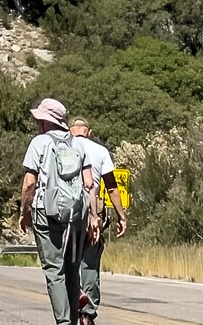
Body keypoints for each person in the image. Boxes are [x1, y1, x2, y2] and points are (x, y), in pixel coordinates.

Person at [19, 98, 98, 325]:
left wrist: (24, 211)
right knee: (73, 269)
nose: (37, 124)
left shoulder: (39, 143)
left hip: (46, 212)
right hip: (76, 215)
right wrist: (92, 216)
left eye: (39, 120)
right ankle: (72, 320)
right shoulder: (79, 144)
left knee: (54, 270)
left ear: (46, 121)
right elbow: (89, 184)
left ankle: (63, 322)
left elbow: (29, 182)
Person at [68, 117, 127, 324]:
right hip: (92, 214)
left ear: (70, 130)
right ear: (89, 132)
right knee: (90, 265)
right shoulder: (100, 150)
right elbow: (111, 187)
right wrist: (121, 216)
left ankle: (69, 307)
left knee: (68, 264)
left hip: (65, 215)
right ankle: (88, 312)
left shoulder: (59, 147)